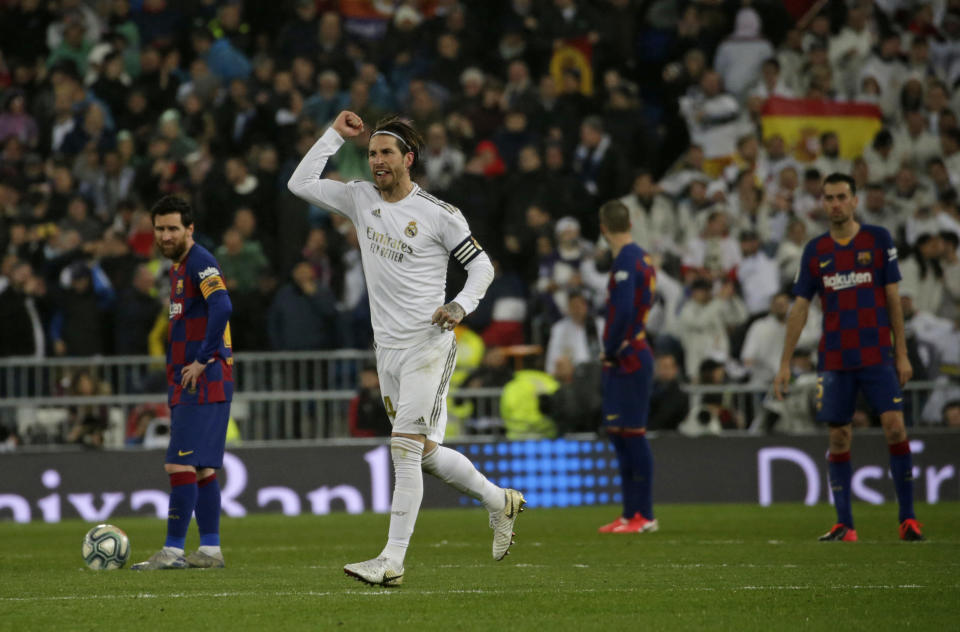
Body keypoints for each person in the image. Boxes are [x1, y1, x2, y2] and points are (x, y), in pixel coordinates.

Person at [288, 110, 524, 587]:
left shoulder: (439, 214)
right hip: (388, 350)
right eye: (372, 153)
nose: (376, 161)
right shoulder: (360, 199)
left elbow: (482, 269)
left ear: (408, 158)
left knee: (403, 448)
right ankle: (499, 500)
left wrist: (459, 305)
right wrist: (335, 134)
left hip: (428, 346)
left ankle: (392, 561)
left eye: (386, 153)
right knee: (426, 452)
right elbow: (301, 181)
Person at [774, 173, 923, 543]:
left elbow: (893, 300)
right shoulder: (815, 250)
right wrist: (784, 363)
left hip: (876, 355)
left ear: (855, 201)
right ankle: (845, 524)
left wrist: (901, 353)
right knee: (839, 437)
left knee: (895, 427)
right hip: (836, 358)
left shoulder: (877, 240)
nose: (835, 203)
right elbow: (800, 308)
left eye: (842, 196)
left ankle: (908, 519)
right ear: (822, 203)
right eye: (829, 198)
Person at [131, 195, 234, 570]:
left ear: (190, 229)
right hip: (194, 381)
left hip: (202, 379)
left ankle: (173, 551)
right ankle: (209, 550)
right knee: (202, 468)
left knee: (178, 465)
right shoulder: (177, 267)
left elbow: (222, 305)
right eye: (160, 228)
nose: (166, 234)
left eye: (173, 228)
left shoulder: (199, 262)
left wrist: (202, 358)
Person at [595, 200, 658, 535]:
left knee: (632, 435)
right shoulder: (643, 257)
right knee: (620, 436)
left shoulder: (626, 260)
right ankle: (630, 513)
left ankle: (644, 514)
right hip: (632, 353)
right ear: (630, 222)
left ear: (603, 228)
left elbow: (621, 310)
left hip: (628, 355)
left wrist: (610, 348)